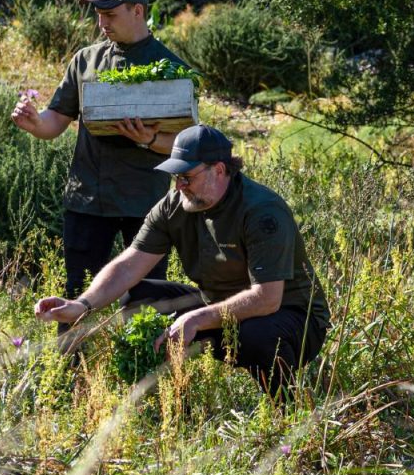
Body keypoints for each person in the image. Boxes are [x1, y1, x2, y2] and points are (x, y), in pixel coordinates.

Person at [34, 125, 330, 397]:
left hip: (292, 319)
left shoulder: (262, 211)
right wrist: (82, 305)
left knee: (255, 335)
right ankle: (169, 402)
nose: (179, 186)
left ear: (219, 170)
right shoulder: (175, 206)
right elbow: (128, 266)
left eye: (186, 177)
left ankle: (286, 408)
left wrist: (197, 319)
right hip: (218, 309)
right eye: (176, 177)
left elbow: (267, 299)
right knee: (139, 298)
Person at [11, 0, 189, 310]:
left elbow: (184, 144)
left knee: (146, 302)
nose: (101, 22)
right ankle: (75, 348)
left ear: (138, 11)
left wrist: (150, 138)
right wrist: (34, 122)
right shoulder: (85, 60)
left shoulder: (170, 67)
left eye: (110, 14)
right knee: (76, 294)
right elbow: (55, 121)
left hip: (144, 203)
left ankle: (142, 349)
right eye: (98, 13)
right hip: (87, 200)